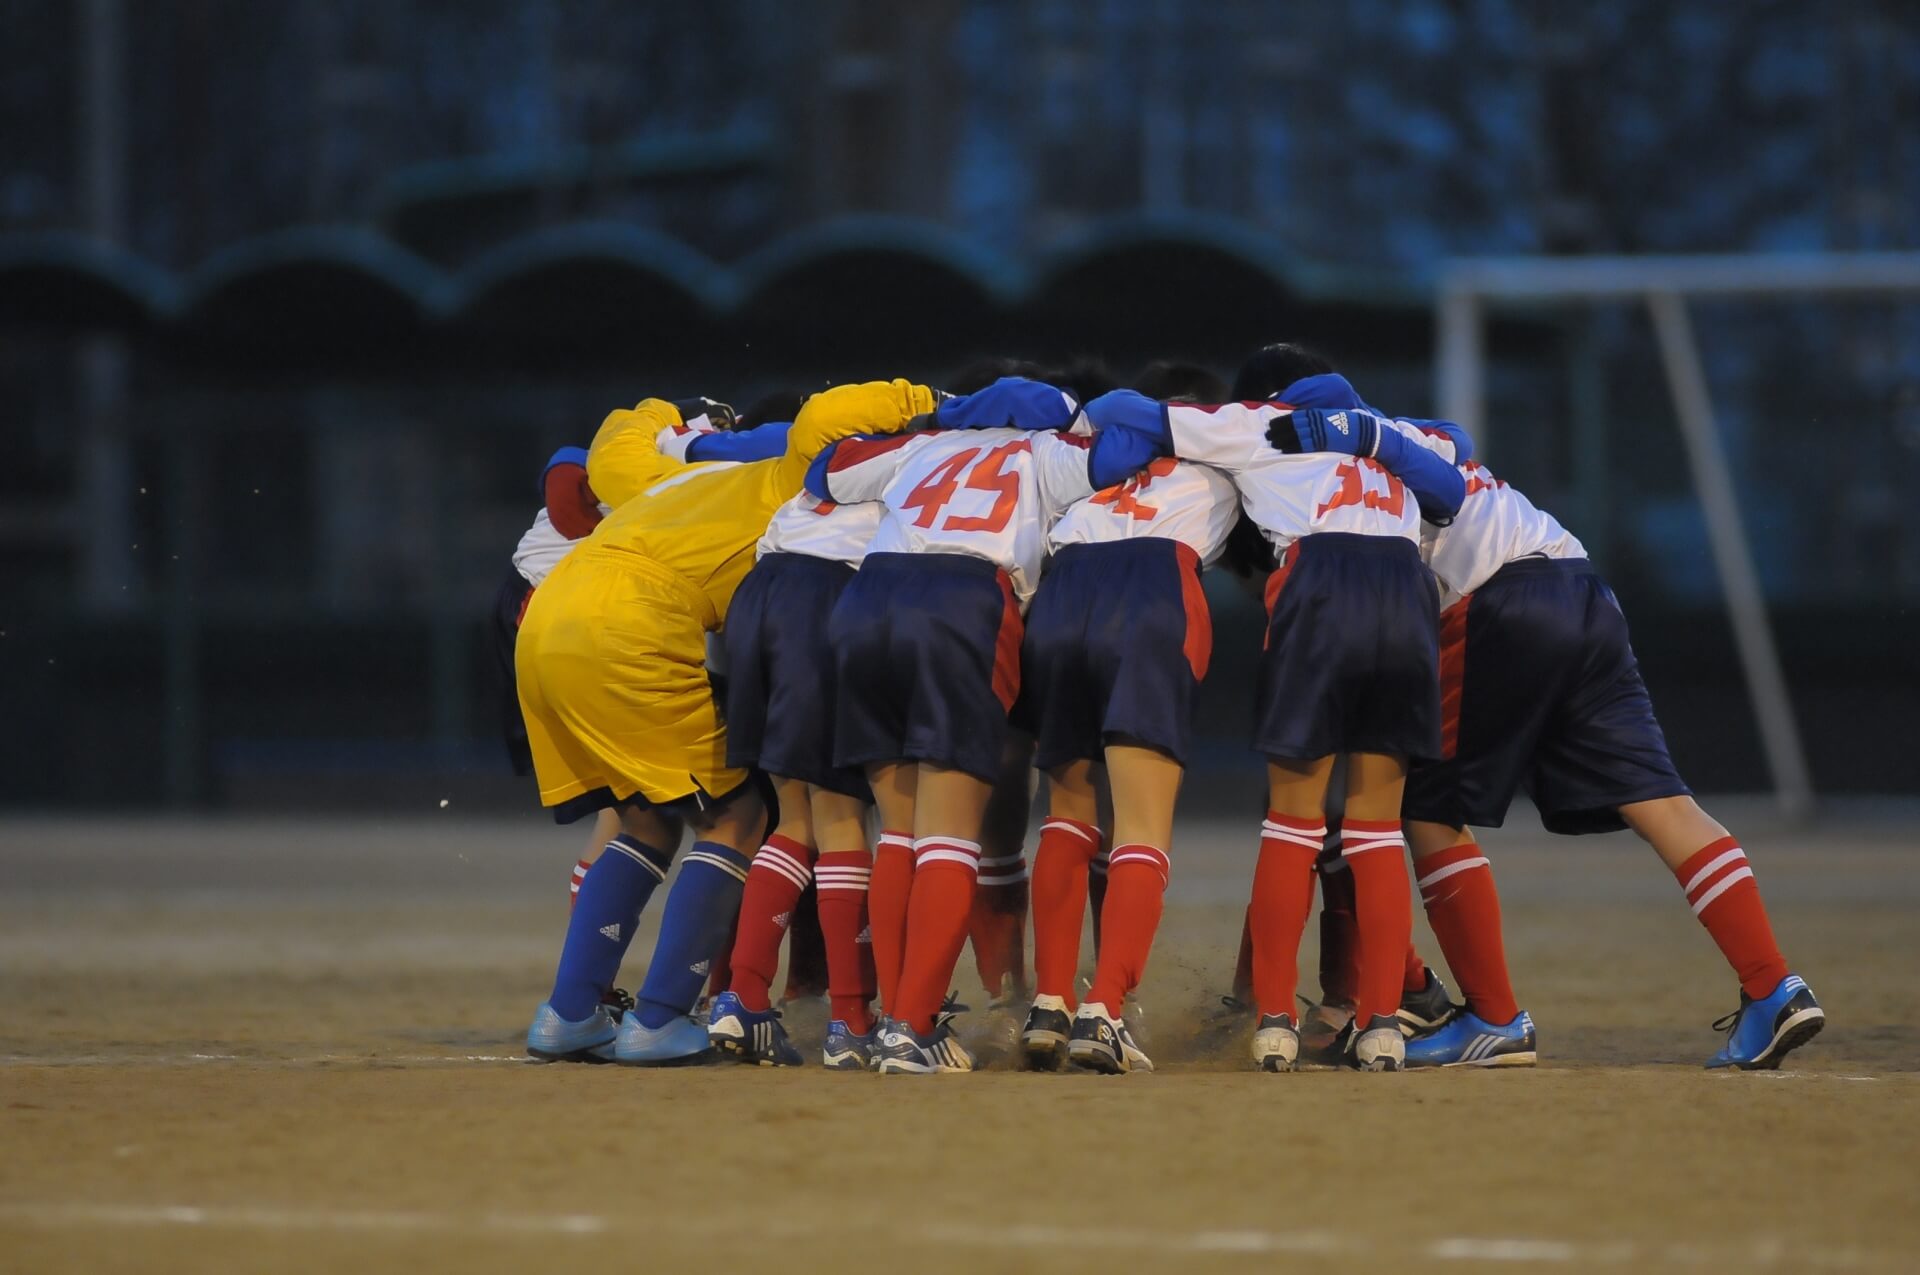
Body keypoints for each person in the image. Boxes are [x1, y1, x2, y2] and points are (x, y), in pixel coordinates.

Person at [1380, 427, 1825, 1070]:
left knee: (1426, 810)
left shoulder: (1317, 447)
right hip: (1581, 582)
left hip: (1501, 599)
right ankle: (1772, 986)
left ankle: (1494, 1019)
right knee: (1664, 803)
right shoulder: (1402, 429)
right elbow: (1456, 440)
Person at [519, 381, 937, 1065]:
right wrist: (929, 397)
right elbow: (825, 417)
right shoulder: (785, 478)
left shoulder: (667, 476)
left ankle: (570, 1013)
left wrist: (663, 410)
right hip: (634, 621)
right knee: (736, 817)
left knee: (644, 818)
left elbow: (612, 444)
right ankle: (658, 1018)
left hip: (551, 616)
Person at [1084, 353, 1471, 1072]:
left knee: (1291, 822)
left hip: (1320, 589)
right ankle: (1383, 1021)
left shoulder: (1261, 422)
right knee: (1377, 828)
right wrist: (1373, 433)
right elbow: (1455, 468)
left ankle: (1271, 1021)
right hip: (1405, 597)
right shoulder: (1392, 432)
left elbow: (1129, 411)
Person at [807, 376, 1147, 1073]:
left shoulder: (924, 446)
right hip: (963, 603)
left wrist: (939, 415)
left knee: (898, 829)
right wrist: (1102, 413)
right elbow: (1128, 450)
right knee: (949, 835)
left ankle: (890, 1018)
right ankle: (913, 1024)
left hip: (867, 599)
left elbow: (825, 467)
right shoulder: (1044, 451)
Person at [1020, 361, 1238, 1074]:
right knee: (1143, 823)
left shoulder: (1094, 451)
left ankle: (1049, 1002)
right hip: (1153, 590)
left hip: (1064, 590)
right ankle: (1105, 1010)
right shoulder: (1229, 445)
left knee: (1067, 810)